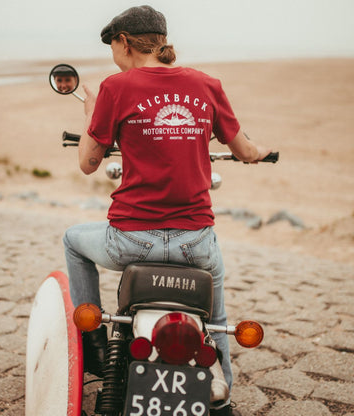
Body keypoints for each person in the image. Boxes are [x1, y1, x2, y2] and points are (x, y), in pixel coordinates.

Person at [63, 5, 271, 416]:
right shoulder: (207, 84)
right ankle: (222, 396)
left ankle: (93, 342)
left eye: (112, 45)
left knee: (72, 240)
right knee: (217, 318)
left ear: (124, 41)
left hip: (130, 242)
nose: (113, 53)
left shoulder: (114, 87)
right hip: (196, 242)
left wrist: (91, 115)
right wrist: (259, 152)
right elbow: (245, 149)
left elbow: (88, 163)